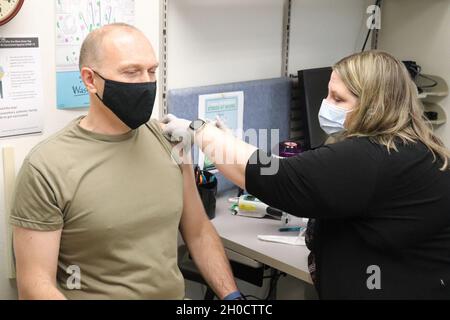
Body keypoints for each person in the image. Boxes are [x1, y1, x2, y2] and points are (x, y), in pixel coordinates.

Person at [162, 50, 450, 299]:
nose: (325, 105)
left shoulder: (373, 157)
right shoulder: (413, 148)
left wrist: (199, 130)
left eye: (338, 98)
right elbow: (278, 173)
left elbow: (280, 179)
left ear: (374, 106)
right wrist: (227, 145)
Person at [10, 23, 241, 300]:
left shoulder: (170, 141)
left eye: (152, 71)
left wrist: (232, 298)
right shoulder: (46, 166)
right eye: (131, 72)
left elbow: (199, 231)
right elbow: (35, 285)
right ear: (90, 79)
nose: (145, 82)